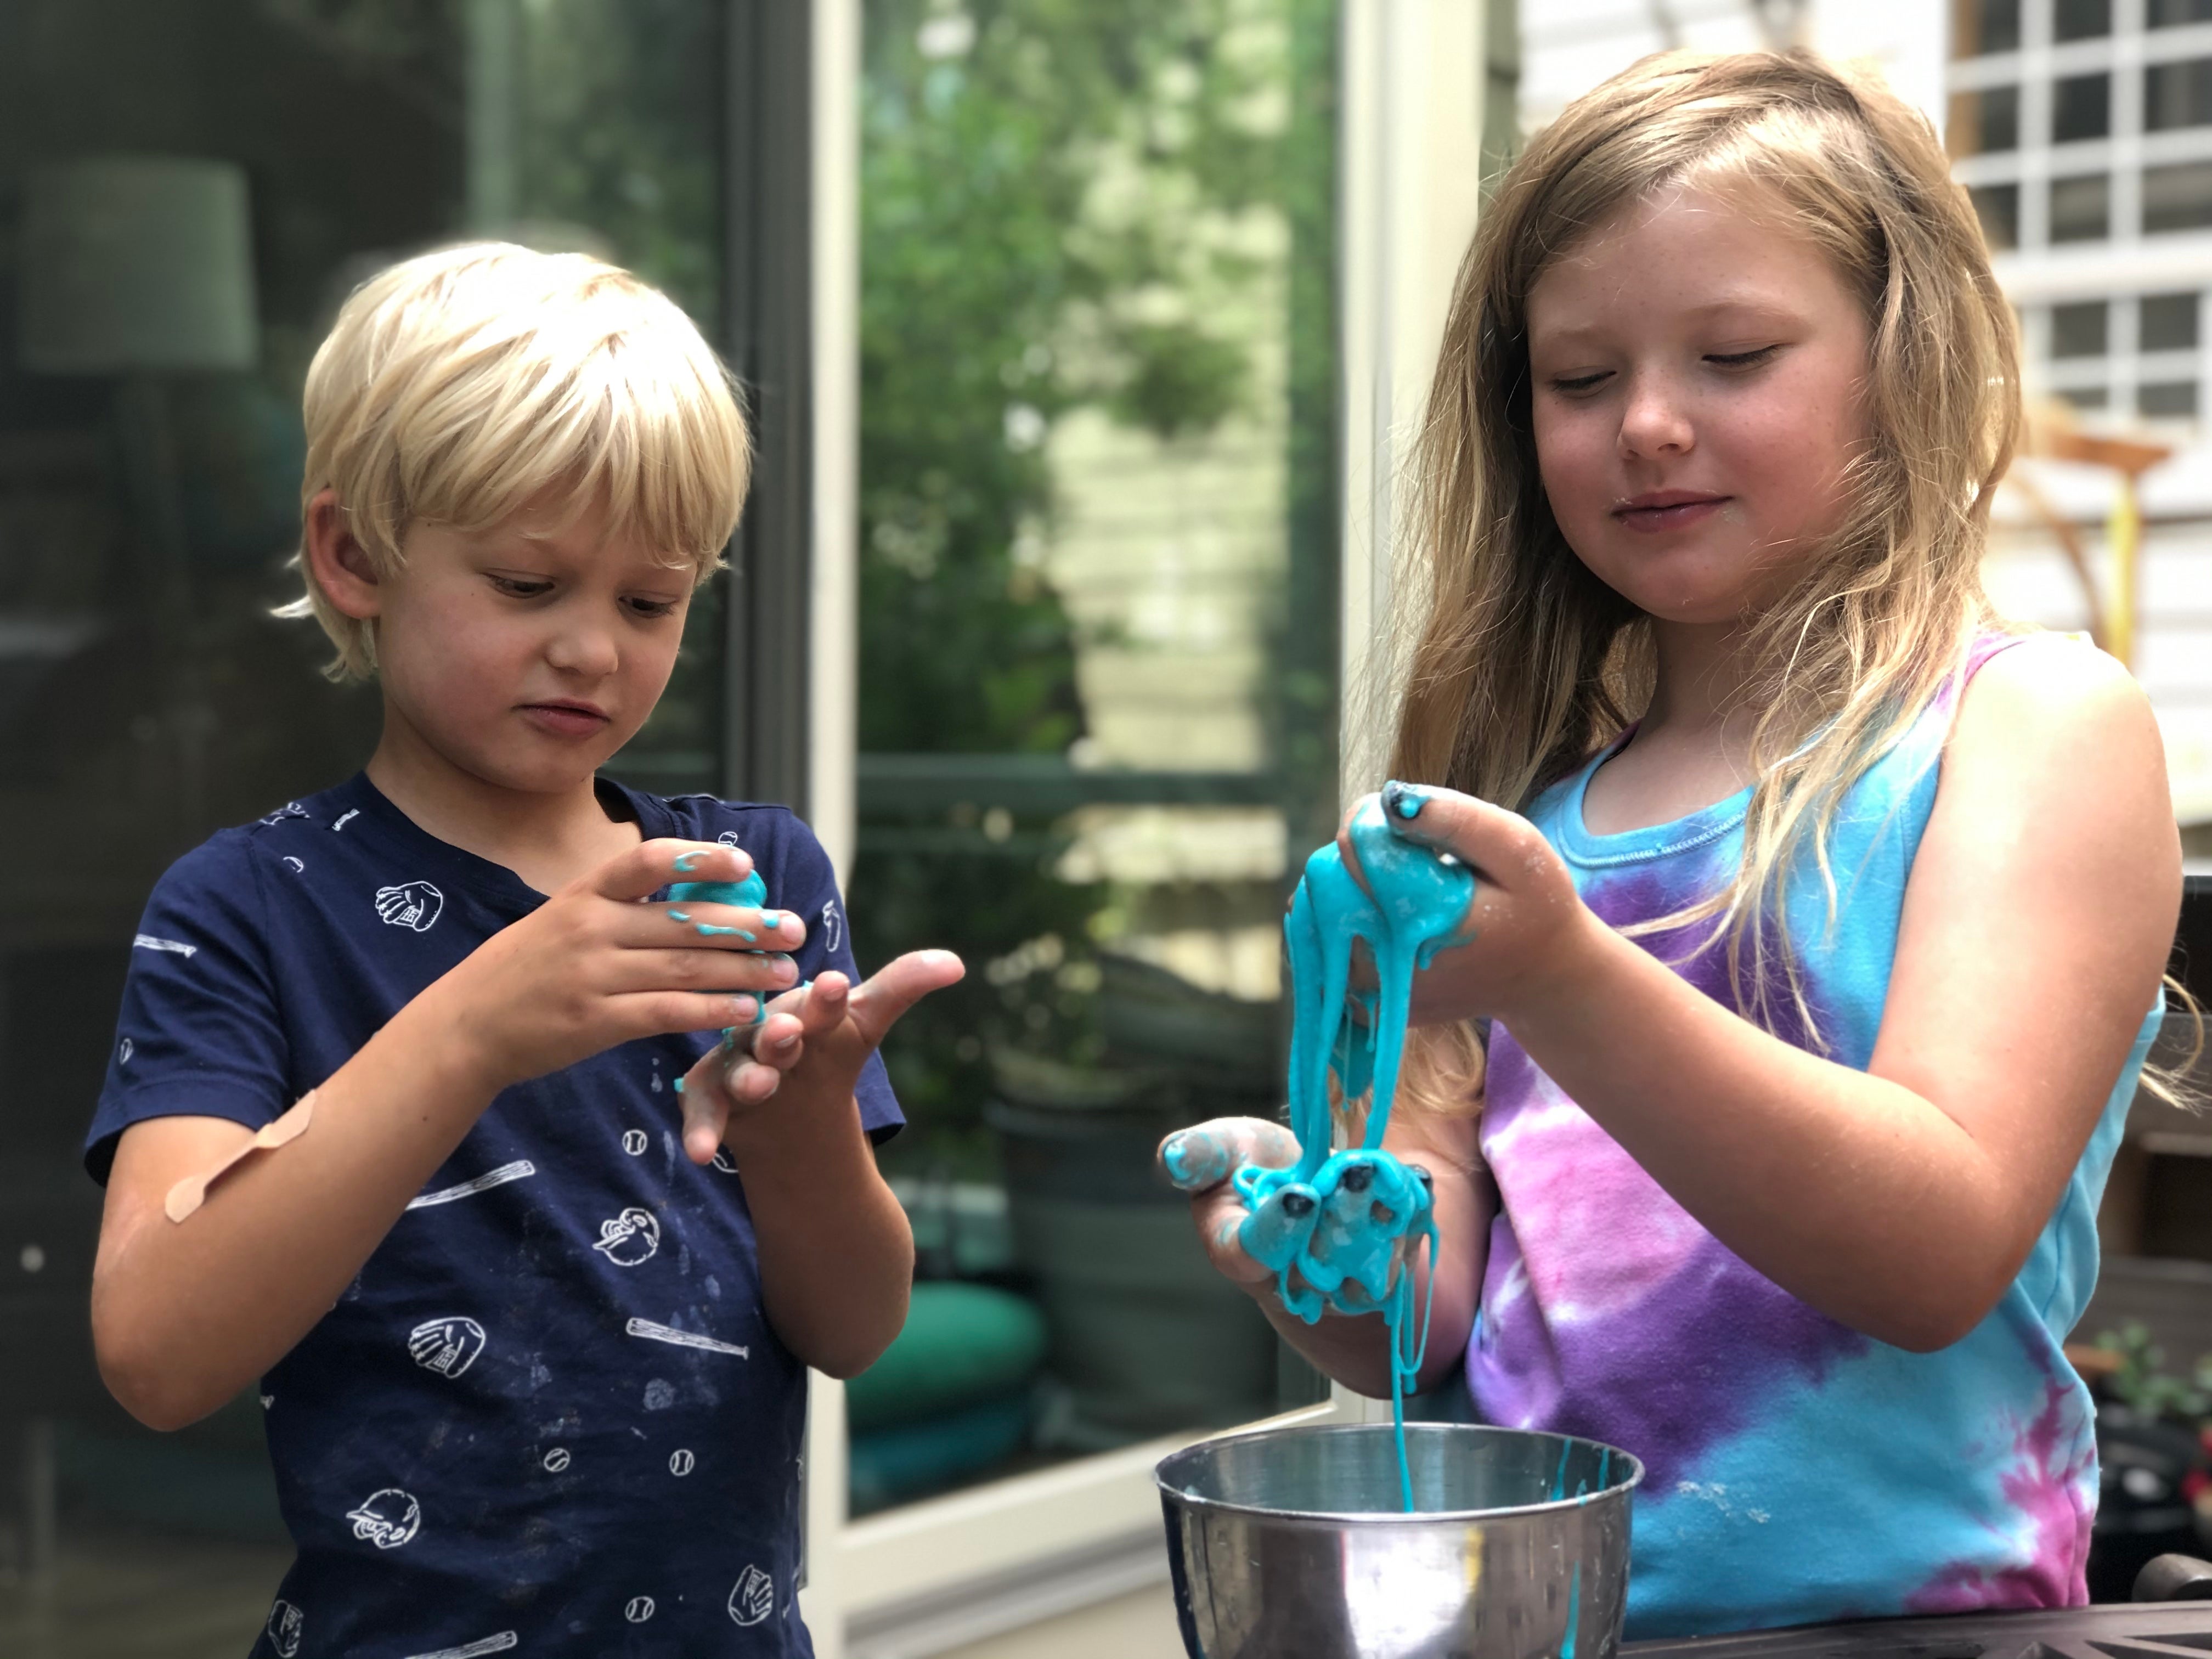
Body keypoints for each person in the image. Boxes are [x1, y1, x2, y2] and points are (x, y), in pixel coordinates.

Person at [1164, 51, 2187, 1633]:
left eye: (1734, 354)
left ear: (1900, 364)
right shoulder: (1524, 814)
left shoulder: (2031, 731)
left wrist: (1567, 976)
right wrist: (1310, 1243)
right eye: (1580, 380)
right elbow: (1428, 1337)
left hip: (1919, 1634)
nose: (1647, 423)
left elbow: (1934, 1247)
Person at [85, 243, 961, 1656]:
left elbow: (853, 1330)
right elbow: (154, 1352)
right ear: (353, 557)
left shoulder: (746, 882)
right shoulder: (249, 905)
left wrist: (804, 1131)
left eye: (648, 602)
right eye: (524, 584)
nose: (593, 652)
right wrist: (475, 1024)